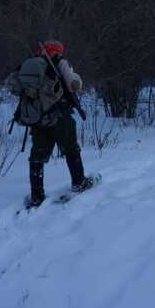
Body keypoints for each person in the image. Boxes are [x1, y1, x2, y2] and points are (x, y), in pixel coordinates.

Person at [25, 40, 94, 208]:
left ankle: (36, 196)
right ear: (56, 51)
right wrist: (75, 77)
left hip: (38, 119)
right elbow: (74, 85)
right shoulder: (60, 62)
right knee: (71, 149)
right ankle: (79, 182)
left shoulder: (30, 65)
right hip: (59, 116)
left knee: (37, 157)